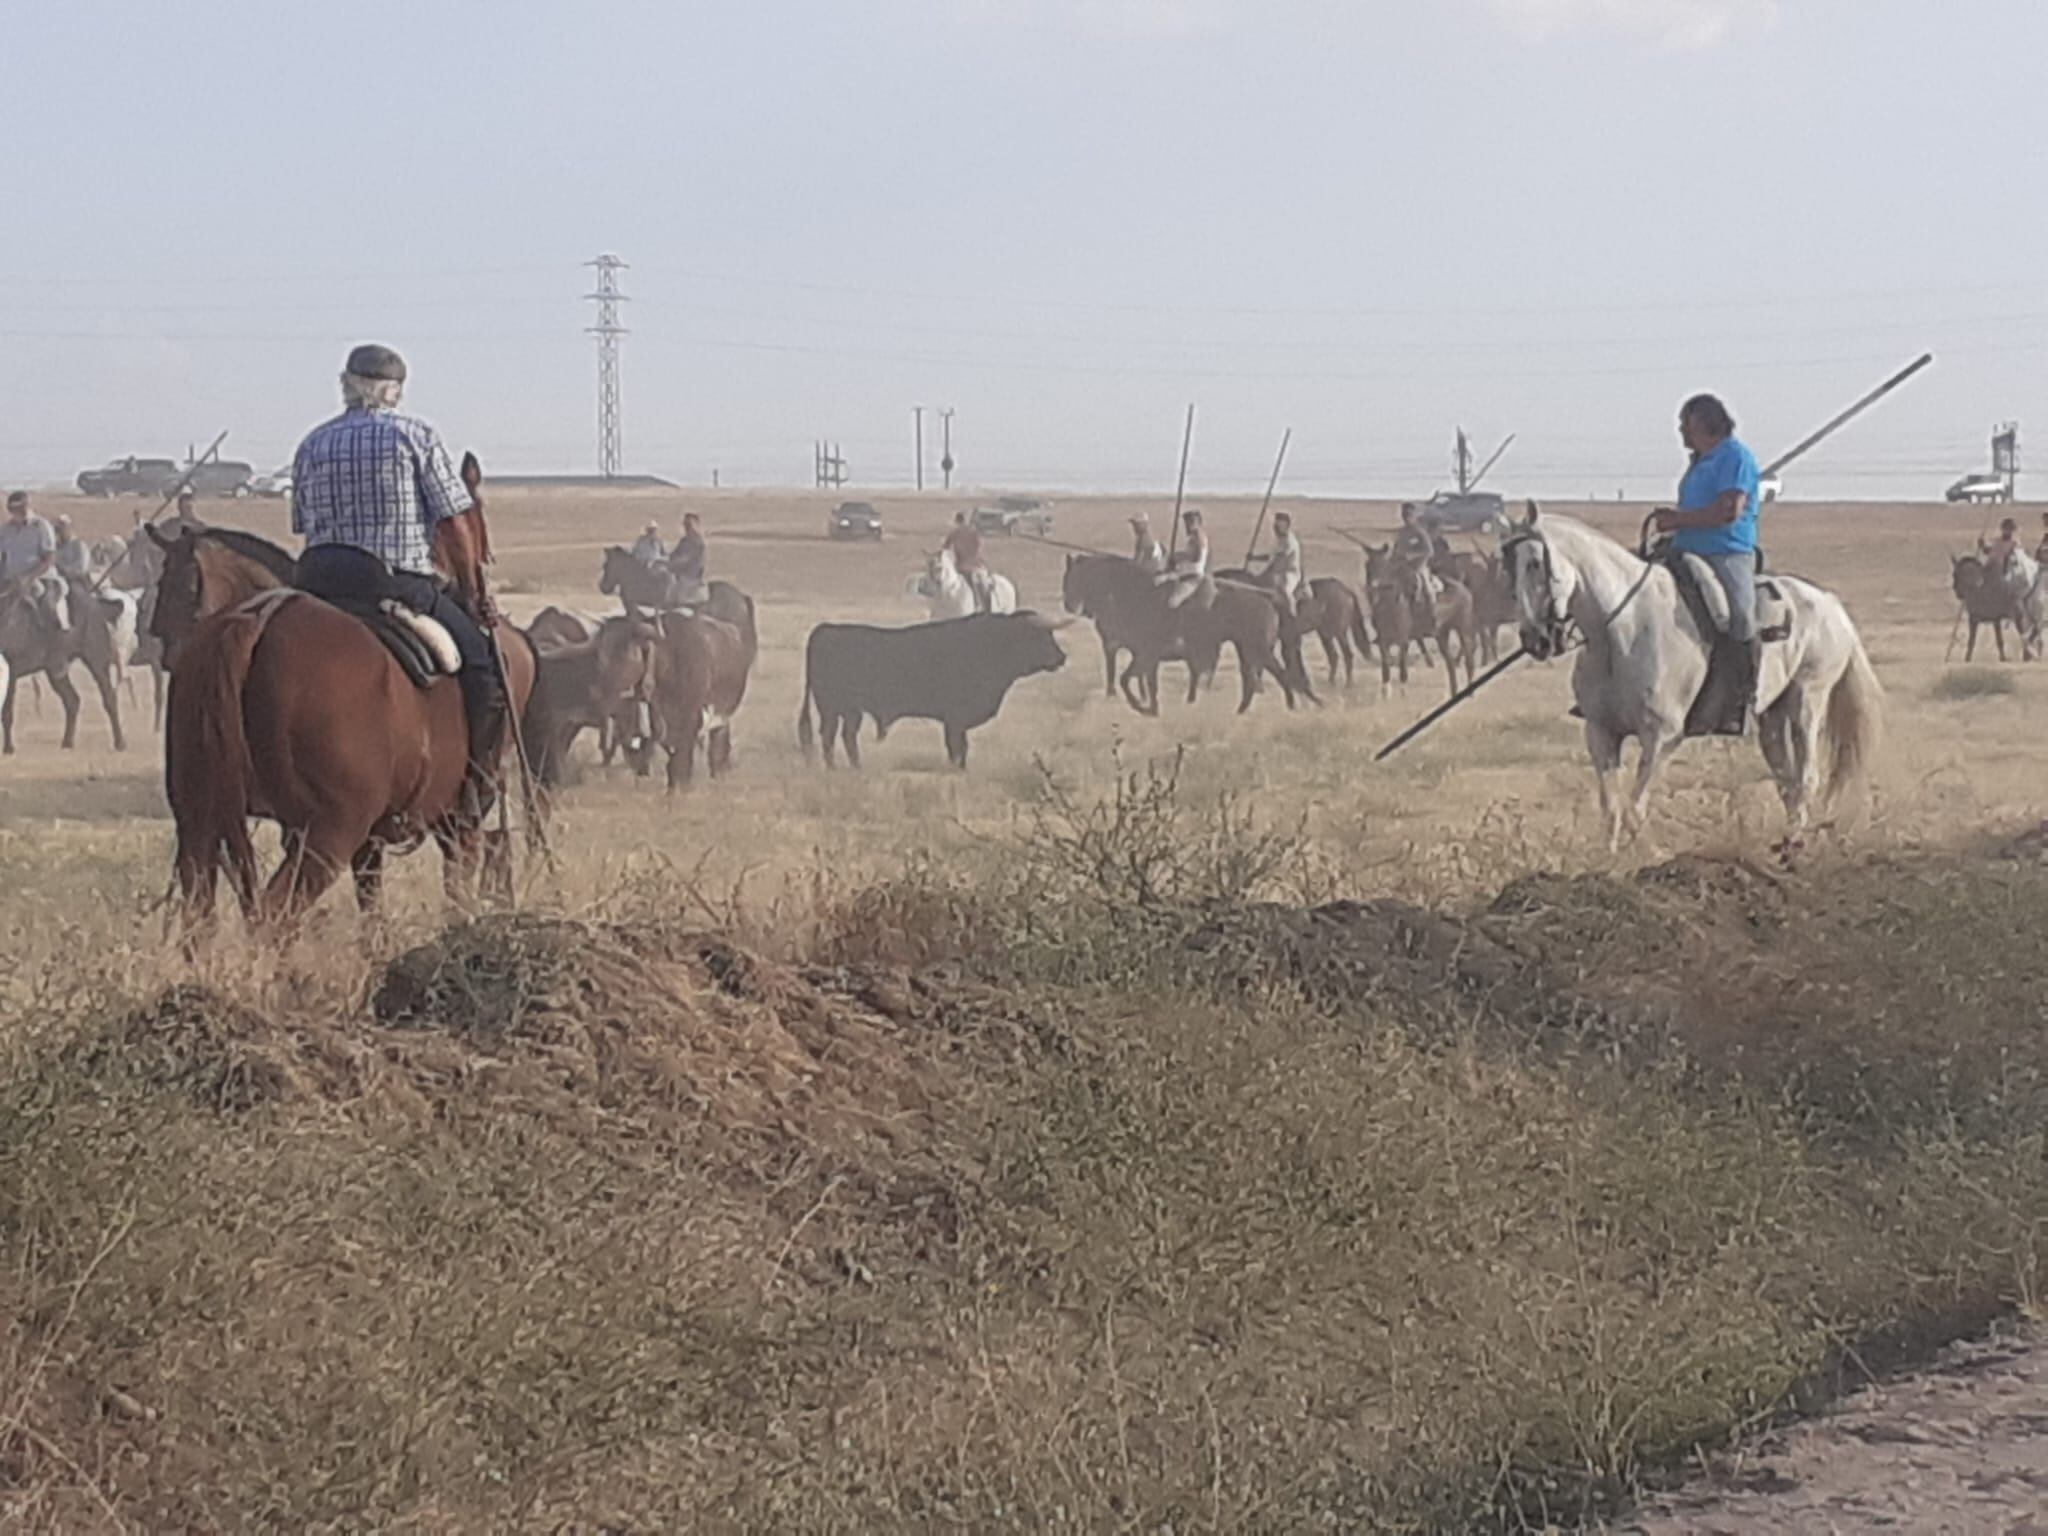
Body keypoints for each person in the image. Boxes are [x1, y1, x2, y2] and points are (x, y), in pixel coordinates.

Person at [290, 343, 503, 809]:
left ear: (347, 386)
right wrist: (470, 591)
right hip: (394, 581)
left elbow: (302, 522)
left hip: (316, 582)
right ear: (392, 391)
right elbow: (453, 520)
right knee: (484, 666)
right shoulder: (414, 436)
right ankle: (475, 786)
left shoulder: (312, 443)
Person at [1652, 392, 1763, 736]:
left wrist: (1679, 519)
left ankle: (1739, 699)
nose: (1681, 432)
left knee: (1740, 618)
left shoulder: (1736, 457)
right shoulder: (1700, 461)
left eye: (1685, 424)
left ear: (1703, 423)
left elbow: (1728, 512)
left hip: (1725, 553)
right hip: (1684, 549)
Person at [0, 490, 66, 636]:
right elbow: (3, 558)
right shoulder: (5, 530)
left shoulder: (41, 526)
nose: (21, 512)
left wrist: (29, 577)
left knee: (47, 606)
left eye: (23, 508)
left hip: (40, 578)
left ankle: (54, 640)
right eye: (16, 510)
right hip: (11, 579)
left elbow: (49, 557)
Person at [940, 511, 991, 612]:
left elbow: (945, 547)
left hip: (961, 566)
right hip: (976, 564)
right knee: (982, 585)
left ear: (956, 521)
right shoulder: (973, 531)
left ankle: (976, 604)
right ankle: (985, 608)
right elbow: (979, 546)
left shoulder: (954, 533)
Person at [1255, 510, 1305, 614]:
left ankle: (1292, 612)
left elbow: (1279, 558)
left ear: (1286, 525)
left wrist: (1267, 571)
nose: (1276, 528)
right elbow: (1271, 556)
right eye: (1275, 525)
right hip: (1277, 573)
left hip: (1289, 573)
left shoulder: (1289, 541)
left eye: (1279, 525)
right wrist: (1254, 558)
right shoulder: (1279, 540)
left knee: (1284, 589)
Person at [670, 511, 709, 604]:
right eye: (685, 524)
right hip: (680, 573)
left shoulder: (697, 542)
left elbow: (685, 559)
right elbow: (674, 555)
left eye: (689, 525)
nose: (686, 527)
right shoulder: (684, 540)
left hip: (690, 575)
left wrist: (670, 564)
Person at [51, 514, 92, 581]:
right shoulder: (55, 547)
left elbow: (81, 568)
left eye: (62, 528)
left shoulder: (78, 545)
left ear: (69, 528)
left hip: (75, 581)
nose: (59, 532)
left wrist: (61, 567)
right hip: (56, 579)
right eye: (57, 529)